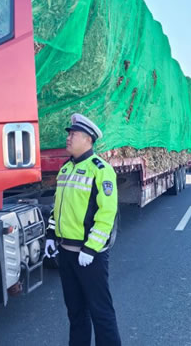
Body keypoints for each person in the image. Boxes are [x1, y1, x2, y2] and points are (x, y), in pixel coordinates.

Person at [45, 113, 121, 346]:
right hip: (66, 254)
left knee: (101, 313)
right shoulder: (66, 169)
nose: (68, 138)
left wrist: (91, 248)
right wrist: (51, 235)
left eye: (74, 134)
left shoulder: (100, 169)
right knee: (76, 313)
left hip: (89, 256)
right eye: (69, 134)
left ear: (88, 139)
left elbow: (107, 214)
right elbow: (58, 207)